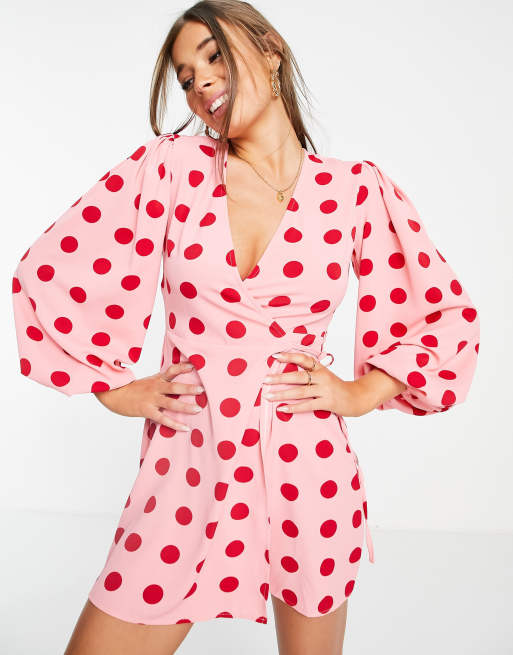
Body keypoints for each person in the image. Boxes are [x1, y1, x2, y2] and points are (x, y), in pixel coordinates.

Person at [11, 1, 480, 653]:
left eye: (213, 55)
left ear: (270, 51)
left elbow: (443, 315)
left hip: (308, 469)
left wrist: (357, 393)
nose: (199, 80)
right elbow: (50, 270)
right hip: (187, 465)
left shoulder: (354, 190)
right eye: (184, 76)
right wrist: (112, 387)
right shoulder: (169, 169)